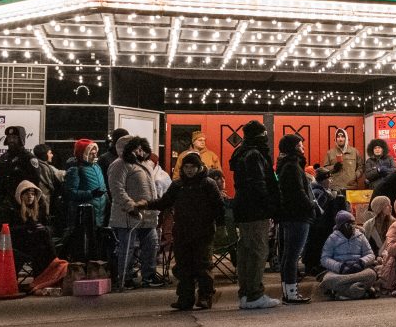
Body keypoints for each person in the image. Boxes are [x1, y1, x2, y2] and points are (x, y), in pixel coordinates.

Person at [132, 154, 224, 310]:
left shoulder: (208, 184)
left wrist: (218, 226)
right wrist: (146, 204)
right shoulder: (178, 185)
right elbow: (164, 202)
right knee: (183, 266)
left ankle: (205, 296)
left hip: (203, 232)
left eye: (192, 167)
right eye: (186, 167)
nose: (189, 171)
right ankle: (185, 298)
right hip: (182, 231)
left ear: (199, 167)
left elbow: (218, 206)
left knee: (203, 266)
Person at [229, 119, 281, 310]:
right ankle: (254, 294)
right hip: (255, 210)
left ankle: (245, 293)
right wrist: (270, 205)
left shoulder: (241, 152)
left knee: (246, 251)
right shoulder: (255, 154)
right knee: (258, 251)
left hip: (244, 209)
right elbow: (259, 184)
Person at [108, 136, 164, 291]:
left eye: (141, 148)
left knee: (151, 244)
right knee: (127, 248)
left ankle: (149, 275)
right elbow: (116, 189)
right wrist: (129, 205)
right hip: (128, 215)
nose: (140, 151)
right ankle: (125, 278)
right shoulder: (119, 165)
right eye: (136, 148)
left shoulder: (143, 163)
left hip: (146, 214)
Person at [277, 133, 314, 304]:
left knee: (288, 255)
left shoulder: (286, 165)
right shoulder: (292, 166)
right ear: (293, 148)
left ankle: (288, 291)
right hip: (297, 215)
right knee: (292, 256)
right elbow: (298, 192)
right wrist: (311, 206)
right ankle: (291, 293)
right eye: (300, 146)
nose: (303, 148)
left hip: (290, 215)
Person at [319, 210, 377, 300]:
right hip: (339, 272)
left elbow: (370, 254)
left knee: (371, 274)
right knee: (327, 280)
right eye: (348, 224)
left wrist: (361, 262)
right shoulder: (332, 238)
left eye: (353, 223)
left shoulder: (361, 236)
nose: (351, 226)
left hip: (359, 270)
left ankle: (342, 293)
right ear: (340, 226)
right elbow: (324, 258)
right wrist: (340, 267)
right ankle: (360, 290)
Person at [0, 125, 41, 227]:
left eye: (14, 138)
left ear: (21, 139)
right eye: (9, 138)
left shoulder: (28, 158)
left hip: (20, 207)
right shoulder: (4, 157)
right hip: (3, 204)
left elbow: (35, 182)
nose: (11, 140)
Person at [304, 167, 349, 276]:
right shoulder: (320, 193)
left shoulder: (317, 191)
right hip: (318, 228)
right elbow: (321, 213)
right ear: (323, 180)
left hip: (315, 228)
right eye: (329, 179)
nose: (331, 181)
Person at [7, 180, 56, 275]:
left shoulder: (38, 211)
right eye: (27, 194)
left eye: (33, 194)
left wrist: (43, 228)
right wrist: (27, 228)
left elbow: (51, 227)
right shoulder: (13, 210)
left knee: (43, 238)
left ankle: (42, 276)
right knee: (41, 242)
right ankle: (55, 262)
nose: (30, 196)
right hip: (19, 244)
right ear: (20, 195)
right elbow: (8, 231)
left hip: (36, 243)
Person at [63, 138, 108, 232]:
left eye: (96, 152)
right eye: (92, 153)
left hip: (100, 213)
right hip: (84, 215)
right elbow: (71, 193)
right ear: (83, 153)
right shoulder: (75, 169)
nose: (95, 155)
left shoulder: (96, 167)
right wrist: (91, 193)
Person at [31, 143, 64, 233]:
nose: (52, 155)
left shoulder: (36, 164)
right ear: (44, 154)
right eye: (50, 153)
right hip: (42, 203)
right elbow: (61, 175)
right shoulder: (45, 167)